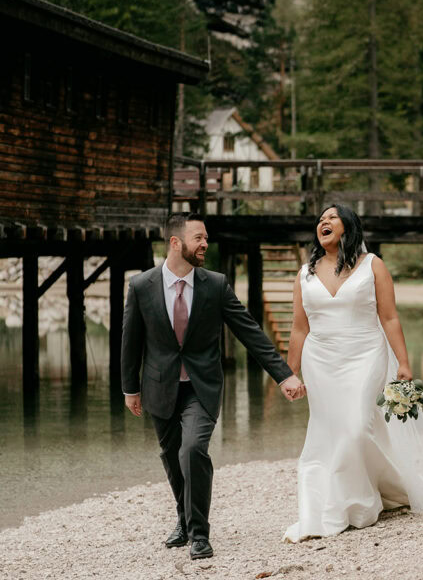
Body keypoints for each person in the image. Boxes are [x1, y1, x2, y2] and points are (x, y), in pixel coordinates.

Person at [283, 201, 423, 542]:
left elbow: (389, 317)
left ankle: (361, 503)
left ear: (348, 227)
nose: (323, 222)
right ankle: (343, 499)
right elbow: (299, 329)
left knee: (357, 428)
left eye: (332, 218)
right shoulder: (304, 274)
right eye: (320, 219)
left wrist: (403, 363)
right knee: (330, 433)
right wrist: (290, 373)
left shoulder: (373, 266)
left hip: (365, 354)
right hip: (321, 361)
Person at [121, 213, 305, 560]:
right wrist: (130, 389)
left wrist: (284, 374)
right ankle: (183, 518)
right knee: (172, 458)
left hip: (201, 387)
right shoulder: (141, 285)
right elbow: (130, 341)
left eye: (206, 238)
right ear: (176, 242)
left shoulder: (215, 285)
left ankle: (199, 534)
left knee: (192, 450)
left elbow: (249, 331)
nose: (205, 244)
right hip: (159, 386)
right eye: (198, 238)